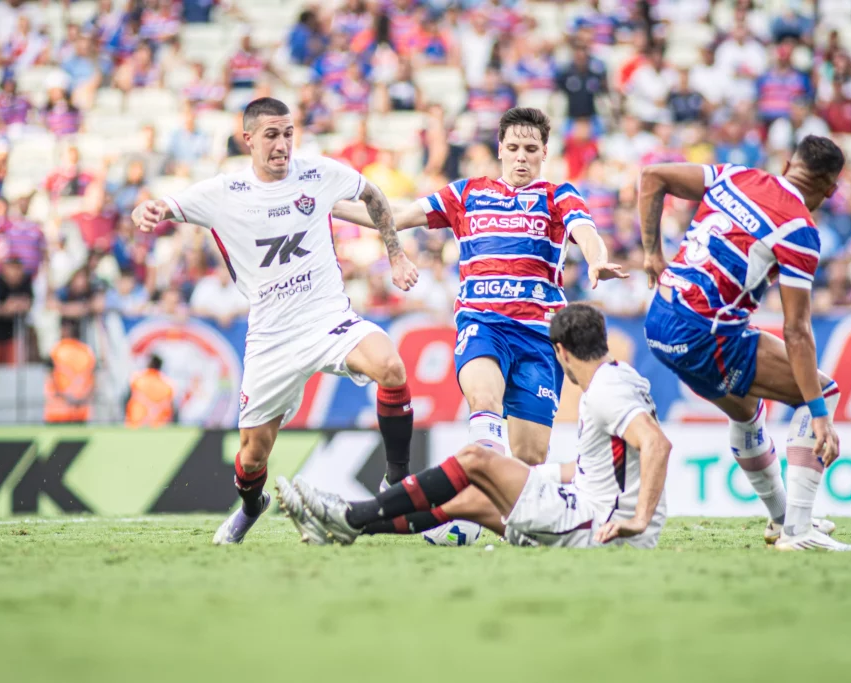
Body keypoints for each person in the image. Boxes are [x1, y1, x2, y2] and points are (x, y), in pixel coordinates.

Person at [132, 97, 420, 545]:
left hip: (327, 318)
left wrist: (396, 254)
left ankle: (396, 482)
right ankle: (251, 507)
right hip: (271, 338)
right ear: (247, 139)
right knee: (251, 458)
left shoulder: (319, 173)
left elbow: (373, 196)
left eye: (288, 133)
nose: (283, 144)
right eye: (271, 135)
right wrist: (147, 209)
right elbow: (165, 205)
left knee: (392, 367)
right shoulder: (224, 193)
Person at [332, 107, 626, 542]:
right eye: (513, 148)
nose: (521, 157)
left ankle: (471, 519)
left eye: (531, 149)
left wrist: (598, 258)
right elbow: (396, 216)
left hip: (539, 337)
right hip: (482, 321)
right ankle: (455, 523)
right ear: (500, 151)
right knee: (484, 401)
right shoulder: (466, 193)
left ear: (545, 153)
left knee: (529, 458)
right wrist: (330, 206)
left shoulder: (557, 194)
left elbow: (585, 231)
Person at [276, 303, 671, 549]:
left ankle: (348, 512)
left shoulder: (604, 391)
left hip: (597, 527)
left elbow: (656, 445)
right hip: (593, 511)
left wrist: (637, 522)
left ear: (561, 352)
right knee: (469, 502)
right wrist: (529, 474)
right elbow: (599, 468)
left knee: (475, 459)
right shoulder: (619, 378)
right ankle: (353, 526)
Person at [638, 135, 851, 551]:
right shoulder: (798, 228)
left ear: (789, 163)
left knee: (746, 412)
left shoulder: (735, 176)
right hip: (704, 334)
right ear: (829, 190)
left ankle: (780, 519)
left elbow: (652, 176)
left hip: (660, 320)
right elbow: (796, 330)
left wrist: (652, 253)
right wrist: (819, 411)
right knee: (822, 391)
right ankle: (798, 531)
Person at [44, 320, 96, 424]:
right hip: (80, 410)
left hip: (58, 411)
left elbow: (51, 376)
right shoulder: (87, 351)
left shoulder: (56, 350)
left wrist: (67, 398)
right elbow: (94, 379)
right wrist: (82, 399)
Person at [124, 354, 175, 427]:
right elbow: (172, 408)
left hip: (136, 424)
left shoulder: (136, 379)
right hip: (160, 426)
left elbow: (126, 399)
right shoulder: (168, 384)